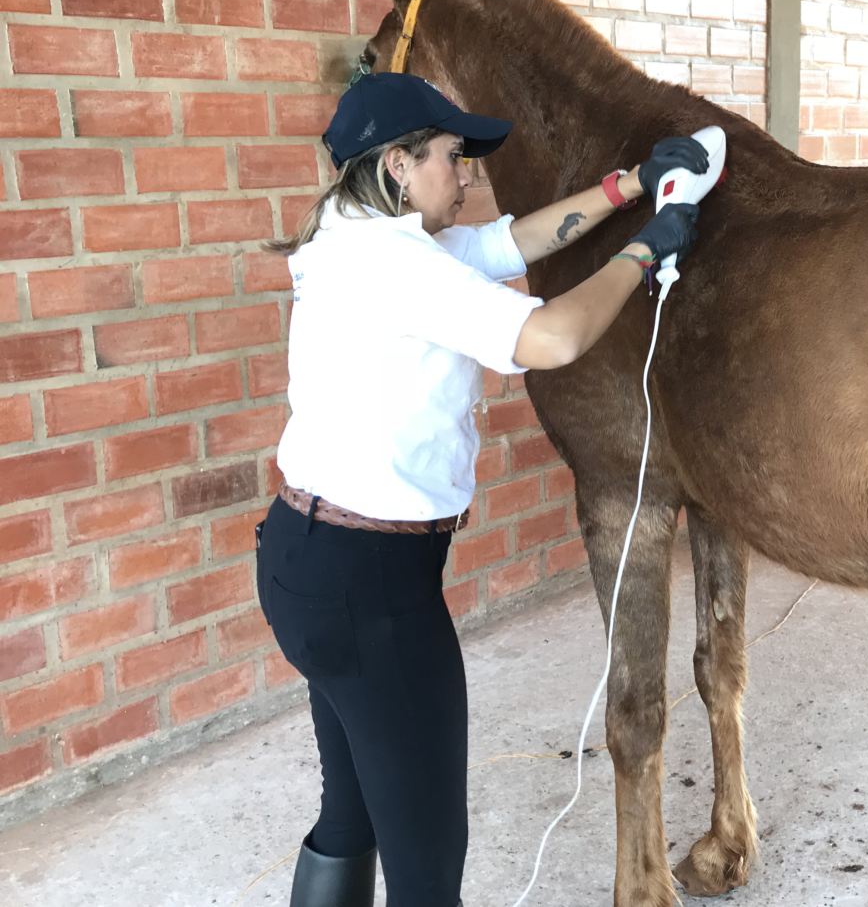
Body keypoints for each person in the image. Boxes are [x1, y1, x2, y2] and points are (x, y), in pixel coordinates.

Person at [254, 71, 706, 907]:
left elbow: (511, 244)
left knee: (349, 819)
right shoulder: (399, 266)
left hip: (303, 562)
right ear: (397, 164)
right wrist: (649, 249)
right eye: (454, 159)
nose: (468, 177)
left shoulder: (357, 236)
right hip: (372, 593)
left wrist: (633, 185)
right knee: (428, 873)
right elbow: (554, 335)